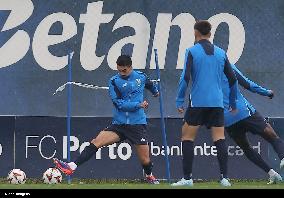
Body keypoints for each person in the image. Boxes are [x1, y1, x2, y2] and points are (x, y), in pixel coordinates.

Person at [53, 55, 160, 184]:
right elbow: (118, 104)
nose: (121, 73)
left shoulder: (141, 77)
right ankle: (71, 166)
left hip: (137, 124)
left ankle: (149, 175)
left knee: (145, 160)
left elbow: (150, 84)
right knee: (96, 142)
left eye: (124, 70)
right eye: (119, 70)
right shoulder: (114, 81)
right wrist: (138, 105)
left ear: (131, 67)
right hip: (119, 124)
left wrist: (155, 92)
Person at [172, 20, 238, 187]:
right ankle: (225, 178)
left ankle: (187, 179)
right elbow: (232, 79)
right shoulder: (221, 53)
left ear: (195, 32)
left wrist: (180, 100)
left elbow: (185, 78)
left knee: (187, 137)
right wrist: (232, 101)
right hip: (216, 103)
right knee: (219, 138)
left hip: (198, 103)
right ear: (210, 33)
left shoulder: (191, 51)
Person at [222, 63, 284, 184]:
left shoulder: (204, 75)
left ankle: (272, 173)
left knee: (246, 148)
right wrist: (267, 92)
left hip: (227, 119)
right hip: (243, 112)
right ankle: (283, 156)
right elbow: (247, 84)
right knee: (272, 136)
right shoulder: (225, 63)